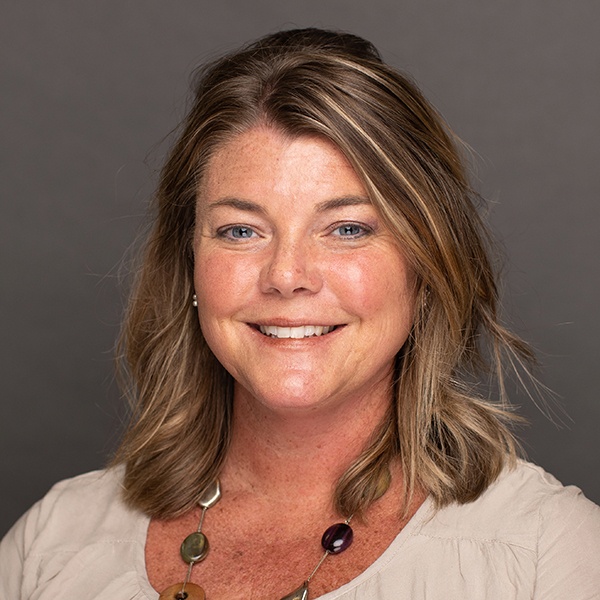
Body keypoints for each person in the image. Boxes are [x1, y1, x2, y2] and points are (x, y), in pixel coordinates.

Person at [1, 27, 599, 600]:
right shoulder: (52, 544)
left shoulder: (547, 552)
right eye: (240, 230)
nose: (287, 276)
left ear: (426, 266)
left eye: (346, 228)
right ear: (189, 266)